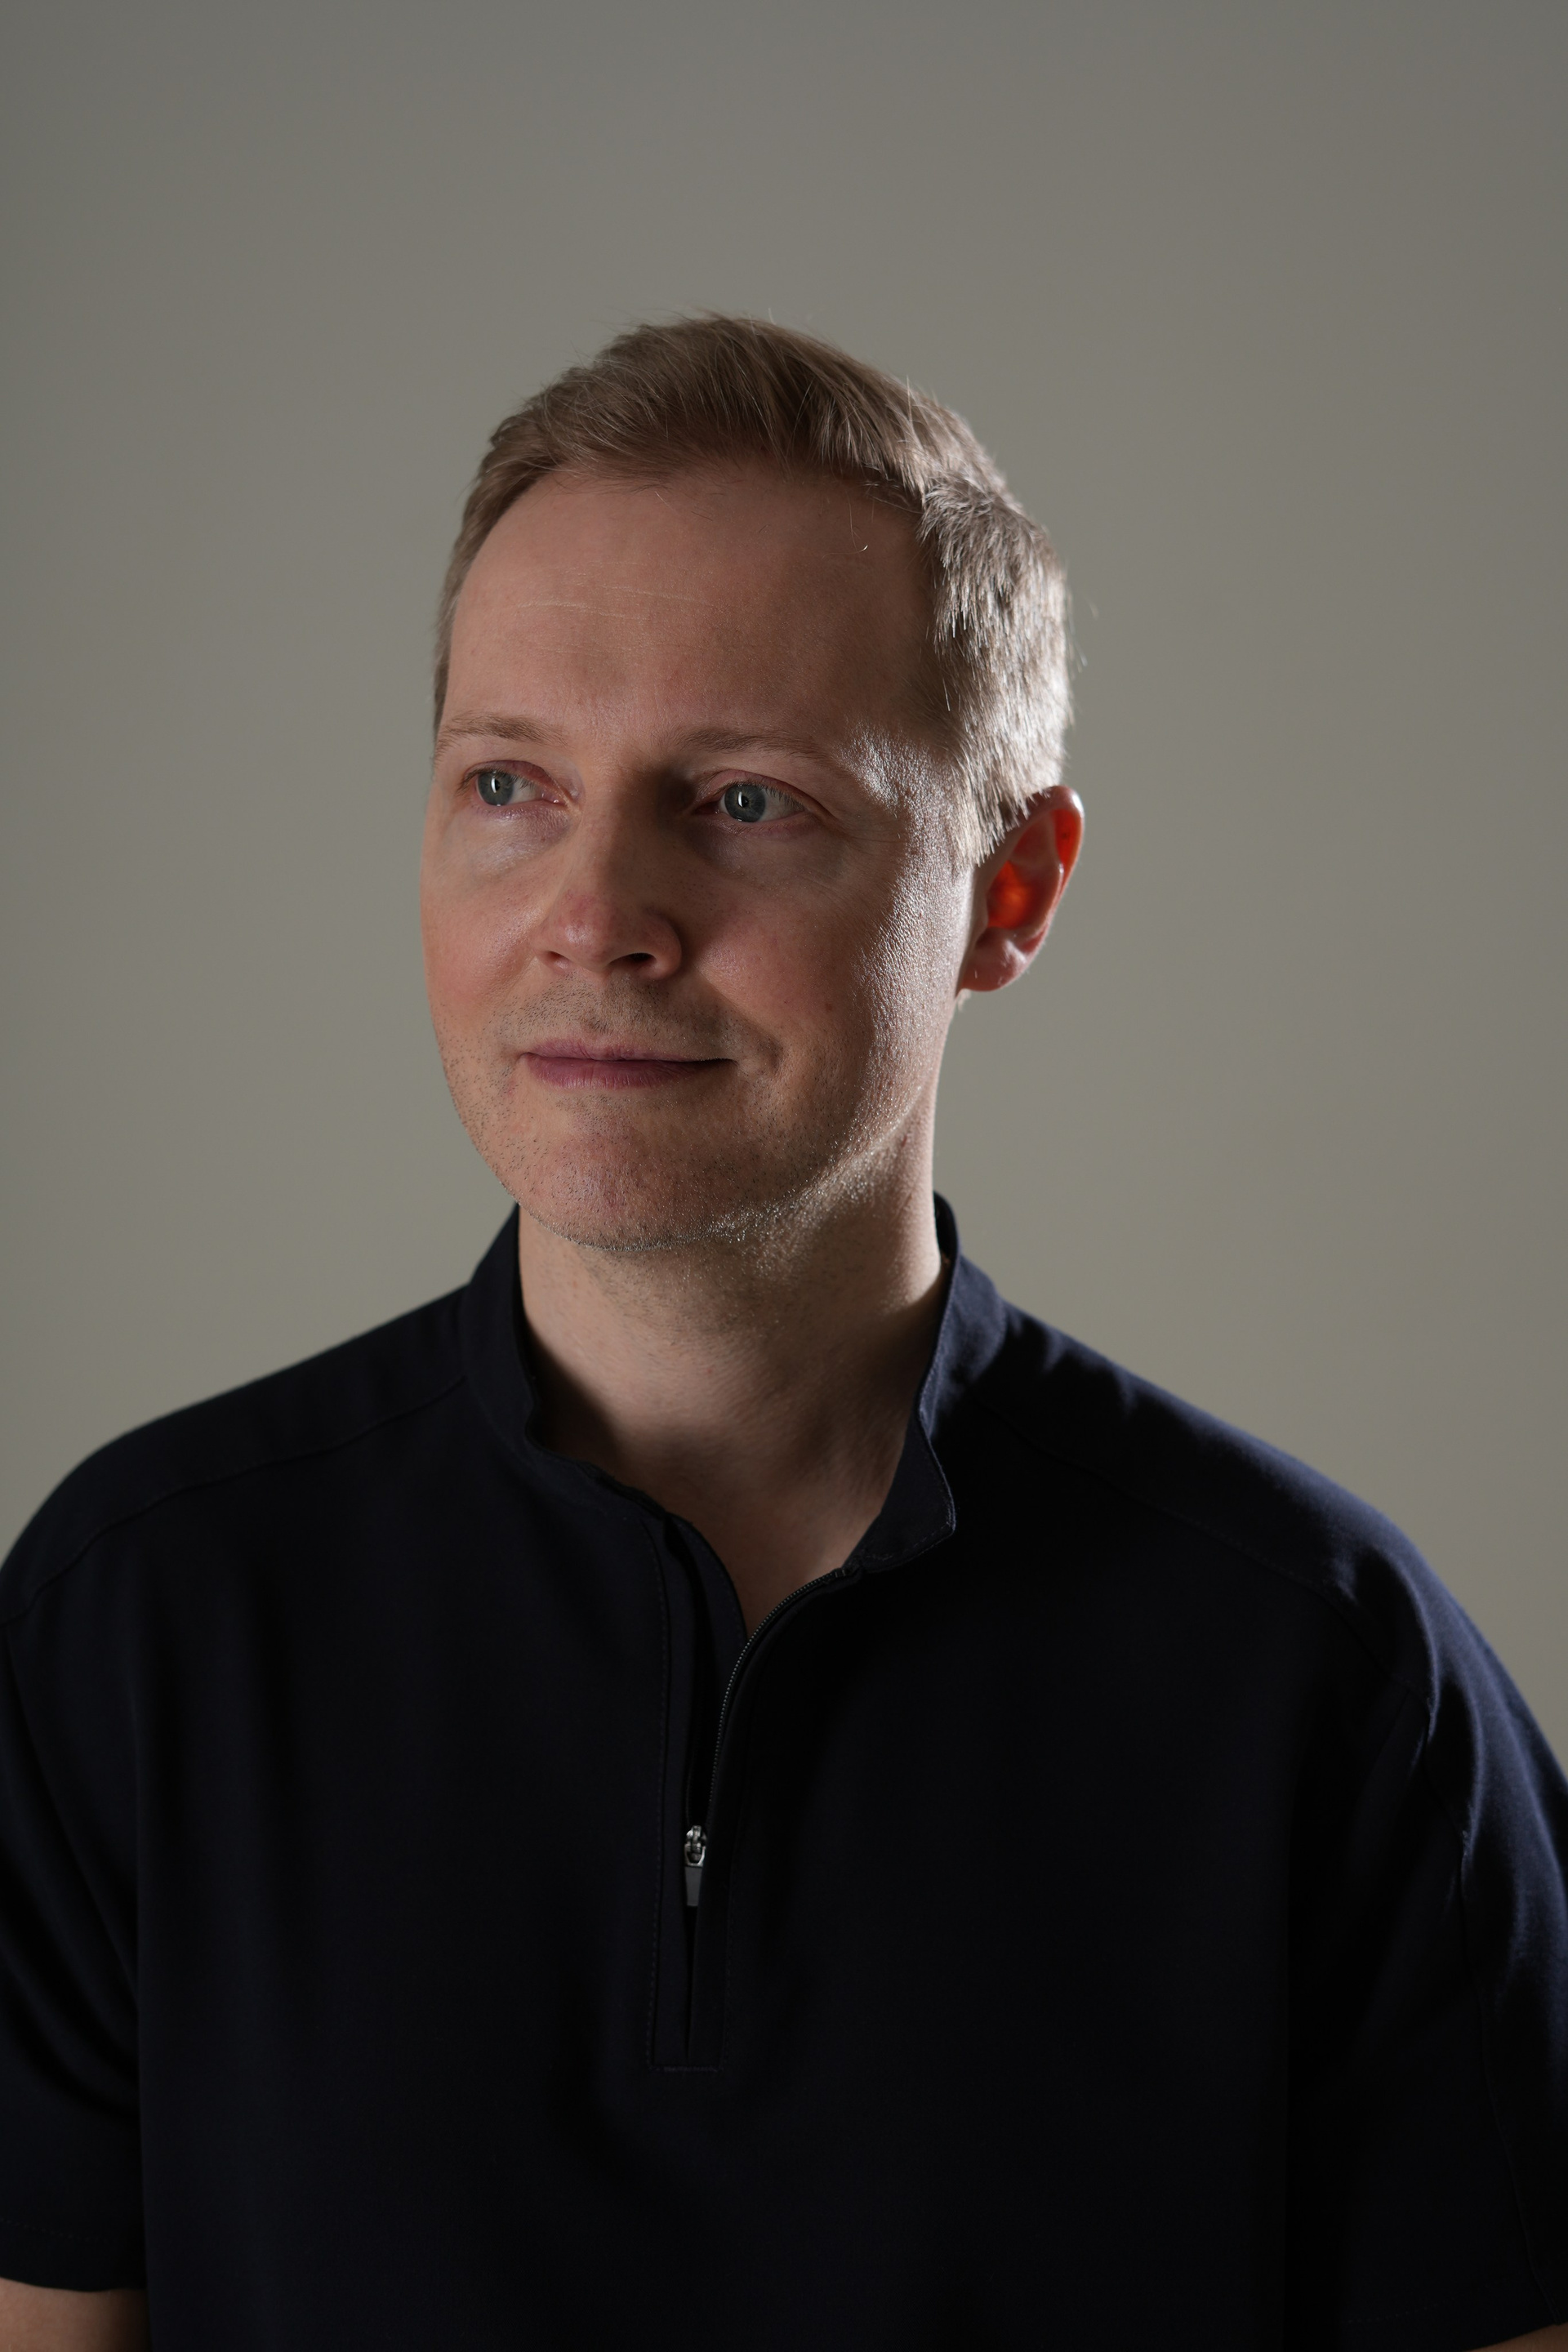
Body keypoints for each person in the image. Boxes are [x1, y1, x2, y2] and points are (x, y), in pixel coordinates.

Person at [1, 316, 1564, 2352]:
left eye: (744, 800)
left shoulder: (1331, 1680)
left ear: (1011, 889)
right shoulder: (136, 1625)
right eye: (509, 785)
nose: (595, 915)